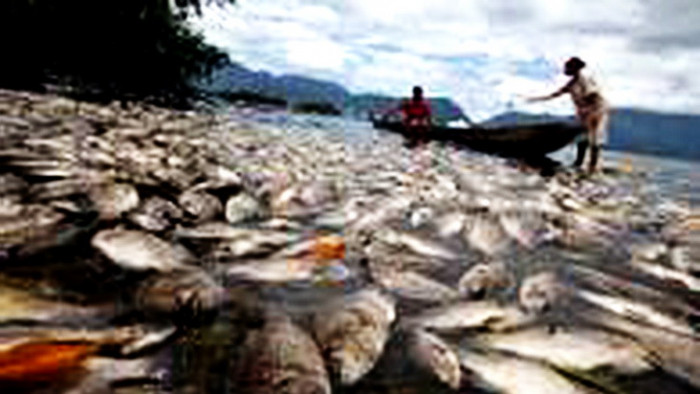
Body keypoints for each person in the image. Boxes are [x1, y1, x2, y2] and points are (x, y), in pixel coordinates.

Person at [526, 57, 609, 174]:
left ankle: (592, 167)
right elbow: (556, 94)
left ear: (574, 68)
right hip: (585, 111)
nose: (564, 70)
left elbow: (593, 95)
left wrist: (588, 110)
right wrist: (534, 99)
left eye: (567, 67)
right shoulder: (571, 83)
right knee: (583, 136)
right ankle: (579, 162)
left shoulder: (584, 80)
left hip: (596, 109)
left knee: (594, 137)